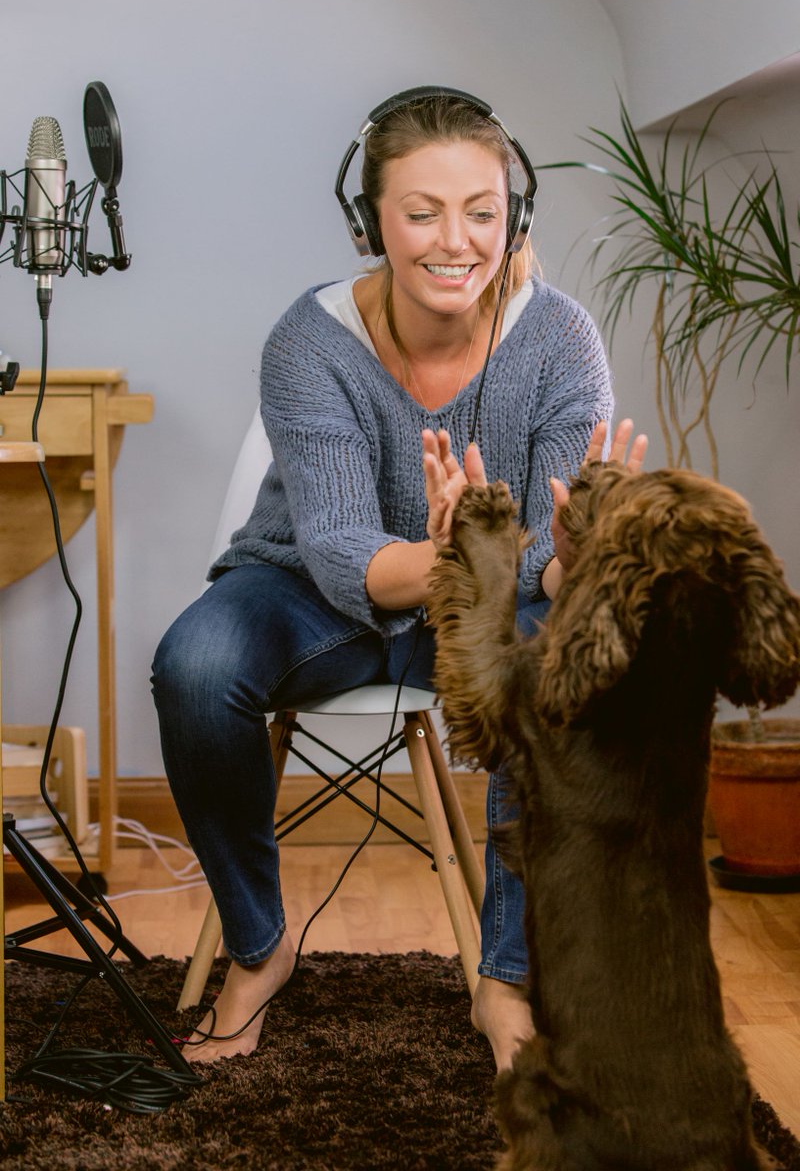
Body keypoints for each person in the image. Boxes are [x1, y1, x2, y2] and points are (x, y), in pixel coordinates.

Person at [151, 86, 646, 1068]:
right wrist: (459, 556)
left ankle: (505, 981)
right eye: (420, 213)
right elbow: (338, 550)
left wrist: (567, 553)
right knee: (196, 664)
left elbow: (545, 554)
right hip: (309, 584)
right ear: (369, 219)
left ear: (515, 215)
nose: (452, 240)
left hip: (492, 595)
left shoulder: (558, 342)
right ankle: (258, 948)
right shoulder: (309, 341)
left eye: (480, 212)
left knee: (565, 652)